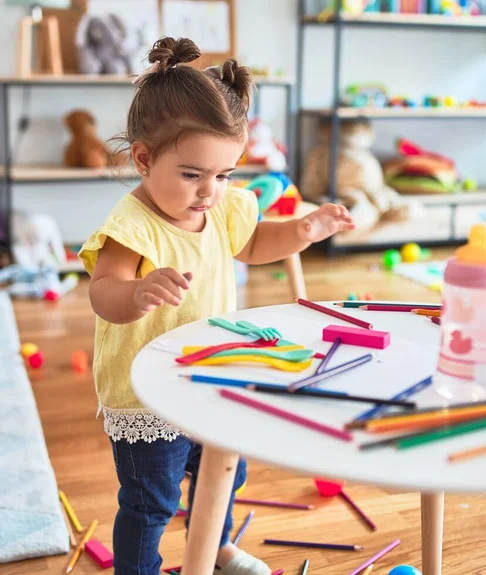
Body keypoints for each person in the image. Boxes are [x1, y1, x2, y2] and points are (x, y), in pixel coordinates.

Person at [79, 36, 354, 575]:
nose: (210, 191)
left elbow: (252, 245)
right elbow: (101, 291)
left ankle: (217, 547)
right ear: (143, 158)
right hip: (147, 395)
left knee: (225, 472)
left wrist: (303, 230)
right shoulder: (132, 226)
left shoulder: (221, 206)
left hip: (211, 372)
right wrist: (134, 293)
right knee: (150, 499)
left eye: (224, 174)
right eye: (192, 174)